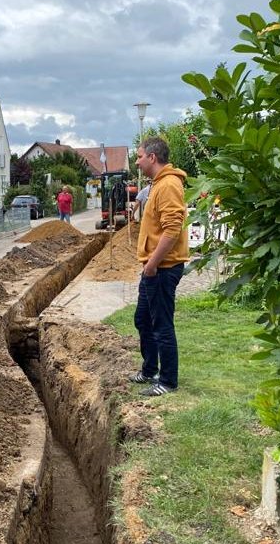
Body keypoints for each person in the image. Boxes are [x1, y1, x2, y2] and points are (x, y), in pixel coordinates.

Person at [129, 137, 190, 397]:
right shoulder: (157, 184)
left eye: (140, 156)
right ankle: (150, 369)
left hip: (162, 268)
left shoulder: (168, 185)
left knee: (161, 324)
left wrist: (152, 264)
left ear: (152, 157)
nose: (137, 161)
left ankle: (167, 381)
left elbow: (172, 229)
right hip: (153, 267)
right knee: (142, 319)